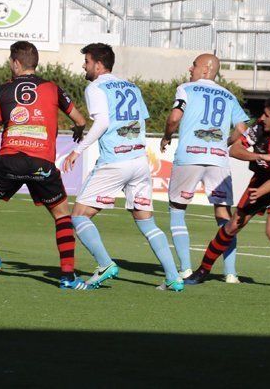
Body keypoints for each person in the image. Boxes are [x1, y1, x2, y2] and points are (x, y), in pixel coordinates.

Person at [0, 41, 88, 289]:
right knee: (62, 216)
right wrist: (78, 130)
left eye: (11, 61)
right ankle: (67, 276)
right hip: (42, 163)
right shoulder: (53, 88)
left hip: (9, 160)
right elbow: (80, 119)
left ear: (16, 63)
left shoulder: (1, 91)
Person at [62, 43, 183, 291]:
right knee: (146, 220)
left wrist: (77, 150)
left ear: (97, 64)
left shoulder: (95, 87)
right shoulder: (132, 87)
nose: (84, 66)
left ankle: (105, 264)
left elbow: (103, 122)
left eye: (86, 61)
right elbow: (139, 121)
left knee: (79, 215)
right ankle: (173, 277)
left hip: (115, 162)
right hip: (139, 160)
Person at [184, 96, 270, 292]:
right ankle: (203, 270)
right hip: (262, 178)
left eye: (267, 115)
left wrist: (260, 193)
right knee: (232, 226)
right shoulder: (260, 128)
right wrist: (262, 156)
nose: (262, 118)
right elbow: (235, 150)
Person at [160, 53, 250, 282]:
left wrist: (166, 136)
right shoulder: (229, 95)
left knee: (178, 209)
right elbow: (242, 128)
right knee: (223, 214)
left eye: (194, 64)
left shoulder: (186, 88)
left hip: (190, 156)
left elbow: (174, 118)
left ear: (205, 68)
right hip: (218, 160)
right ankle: (230, 273)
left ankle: (186, 268)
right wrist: (226, 143)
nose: (190, 68)